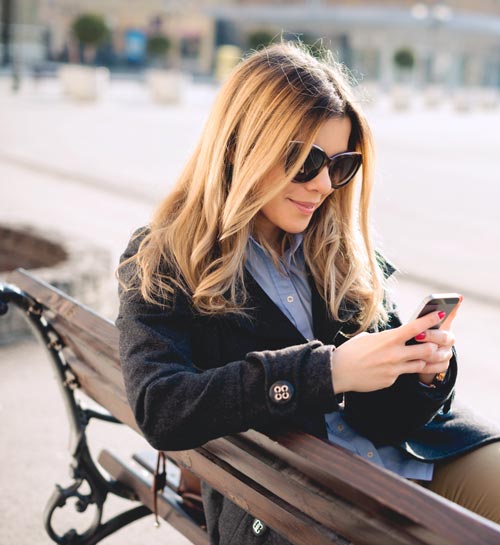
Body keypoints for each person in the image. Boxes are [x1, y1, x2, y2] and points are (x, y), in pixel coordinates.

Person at [116, 42, 500, 543]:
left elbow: (381, 418)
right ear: (241, 147)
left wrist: (422, 373)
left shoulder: (343, 250)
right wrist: (329, 371)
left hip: (416, 459)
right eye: (304, 160)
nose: (323, 185)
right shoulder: (168, 257)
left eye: (339, 165)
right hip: (291, 494)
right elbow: (162, 408)